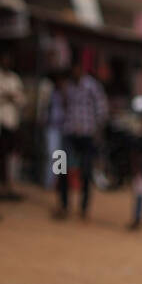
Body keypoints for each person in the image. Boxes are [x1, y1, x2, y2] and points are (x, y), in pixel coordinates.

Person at [49, 60, 108, 219]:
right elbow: (61, 108)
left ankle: (84, 208)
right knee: (60, 167)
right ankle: (63, 204)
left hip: (87, 135)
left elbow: (102, 109)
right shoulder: (67, 87)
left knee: (86, 171)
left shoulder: (92, 86)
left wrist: (97, 131)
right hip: (68, 133)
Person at [0, 50, 26, 201]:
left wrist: (11, 96)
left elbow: (22, 99)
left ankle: (7, 188)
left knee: (9, 157)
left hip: (11, 123)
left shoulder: (14, 78)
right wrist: (7, 95)